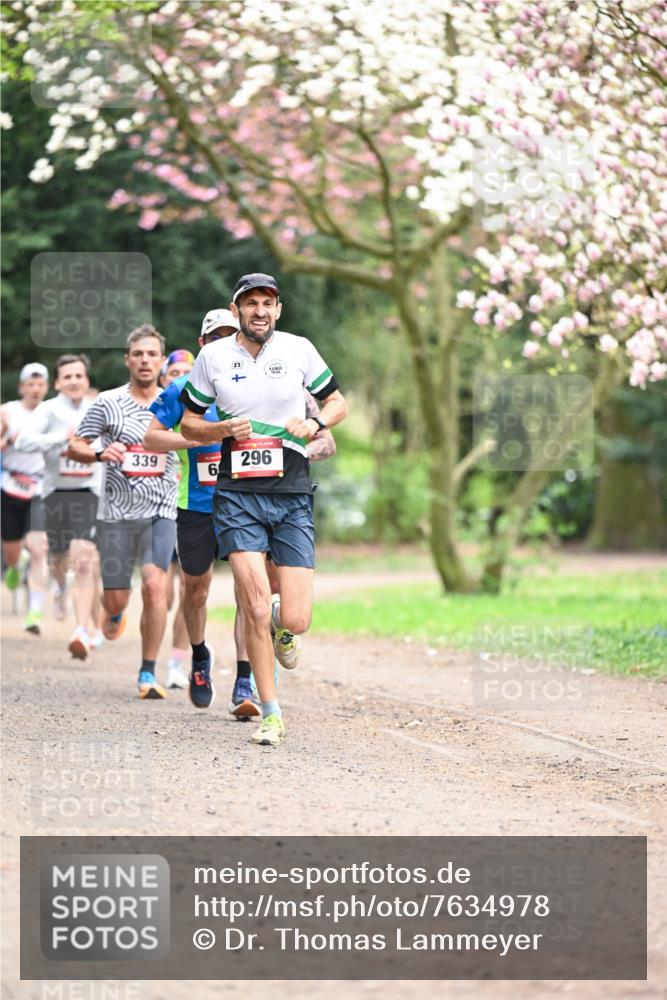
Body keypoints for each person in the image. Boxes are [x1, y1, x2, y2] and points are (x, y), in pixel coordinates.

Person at [180, 273, 348, 746]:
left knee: (294, 618)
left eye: (267, 303)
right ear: (237, 311)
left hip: (292, 494)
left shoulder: (298, 349)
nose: (259, 311)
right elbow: (190, 422)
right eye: (250, 303)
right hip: (237, 496)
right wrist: (219, 431)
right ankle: (270, 712)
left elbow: (338, 403)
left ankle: (283, 626)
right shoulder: (213, 358)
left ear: (279, 310)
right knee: (252, 604)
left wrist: (314, 420)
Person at [145, 308, 337, 719]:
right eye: (214, 338)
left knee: (252, 597)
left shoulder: (275, 378)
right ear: (203, 347)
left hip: (260, 496)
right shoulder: (186, 388)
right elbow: (152, 439)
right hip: (198, 503)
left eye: (229, 335)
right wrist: (210, 436)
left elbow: (326, 438)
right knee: (195, 590)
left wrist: (297, 449)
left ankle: (245, 679)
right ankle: (199, 656)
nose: (224, 344)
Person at [68, 325, 178, 699]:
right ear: (127, 360)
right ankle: (114, 612)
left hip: (160, 510)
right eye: (138, 354)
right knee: (117, 598)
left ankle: (148, 672)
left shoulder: (176, 401)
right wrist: (100, 453)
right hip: (115, 513)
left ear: (162, 361)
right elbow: (75, 446)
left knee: (154, 584)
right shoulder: (108, 403)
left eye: (152, 354)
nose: (145, 360)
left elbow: (198, 440)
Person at [15, 354, 104, 659]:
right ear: (58, 383)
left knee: (83, 560)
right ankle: (61, 589)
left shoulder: (98, 408)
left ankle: (81, 629)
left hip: (89, 492)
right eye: (67, 377)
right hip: (54, 493)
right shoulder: (48, 410)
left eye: (79, 376)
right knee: (58, 559)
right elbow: (23, 441)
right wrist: (60, 439)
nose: (74, 381)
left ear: (87, 380)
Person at [158, 349, 197, 690]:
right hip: (157, 511)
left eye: (187, 371)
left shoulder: (204, 408)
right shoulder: (157, 411)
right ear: (164, 376)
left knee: (187, 589)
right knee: (162, 593)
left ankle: (176, 662)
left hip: (187, 509)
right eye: (174, 372)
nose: (179, 377)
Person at [1, 363, 49, 634]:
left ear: (46, 387)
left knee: (38, 548)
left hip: (40, 488)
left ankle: (34, 611)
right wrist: (10, 439)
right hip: (11, 485)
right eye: (30, 384)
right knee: (12, 551)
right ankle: (14, 566)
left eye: (40, 384)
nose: (35, 389)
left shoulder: (52, 413)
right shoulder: (7, 411)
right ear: (22, 387)